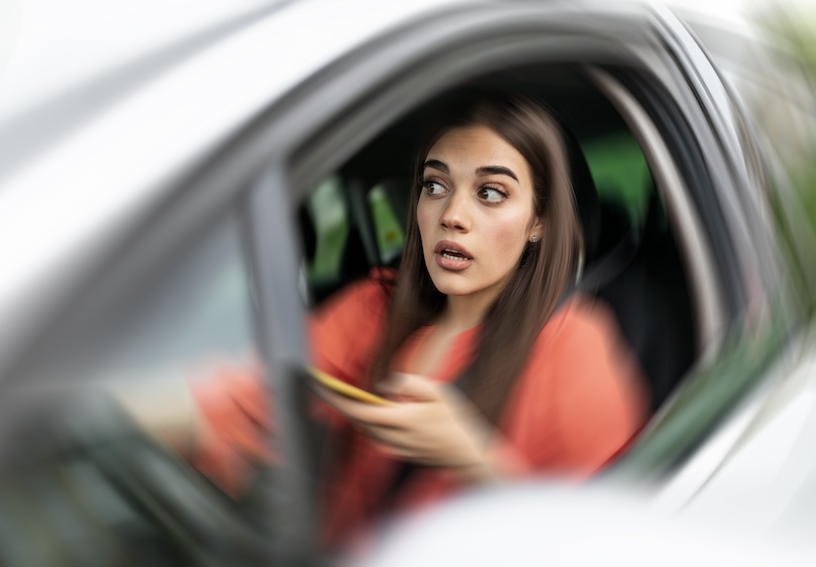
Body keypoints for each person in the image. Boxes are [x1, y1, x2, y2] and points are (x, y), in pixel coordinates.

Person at [134, 92, 647, 551]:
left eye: (490, 193)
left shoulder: (574, 349)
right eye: (434, 185)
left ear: (539, 221)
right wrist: (94, 408)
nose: (452, 214)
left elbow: (607, 544)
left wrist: (474, 459)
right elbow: (246, 394)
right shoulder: (377, 306)